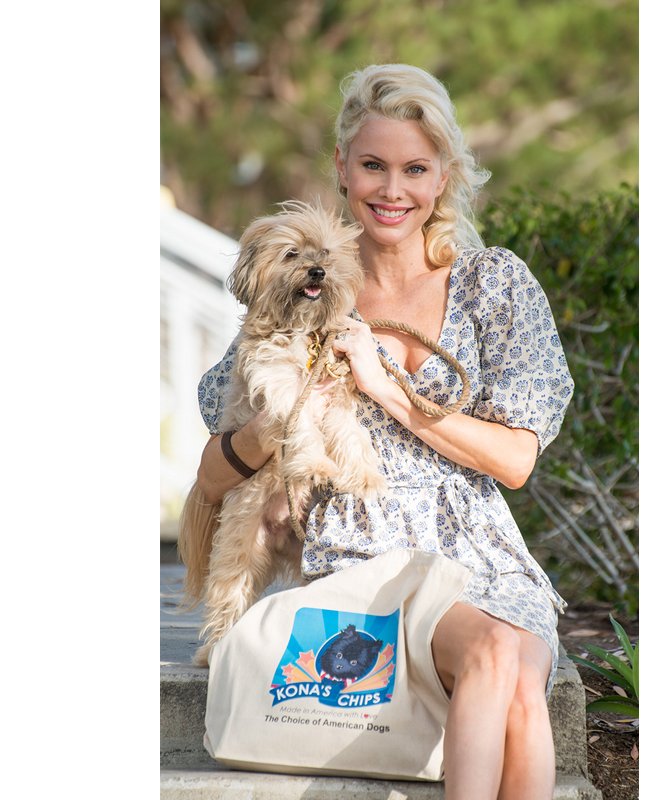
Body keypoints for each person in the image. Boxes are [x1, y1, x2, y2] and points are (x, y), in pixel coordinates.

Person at [194, 63, 574, 800]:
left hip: (483, 550)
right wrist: (281, 422)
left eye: (414, 169)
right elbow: (214, 472)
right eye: (373, 166)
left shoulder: (494, 282)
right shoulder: (305, 282)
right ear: (342, 168)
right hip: (365, 548)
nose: (392, 190)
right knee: (500, 663)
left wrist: (384, 387)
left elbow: (516, 461)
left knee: (520, 685)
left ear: (443, 179)